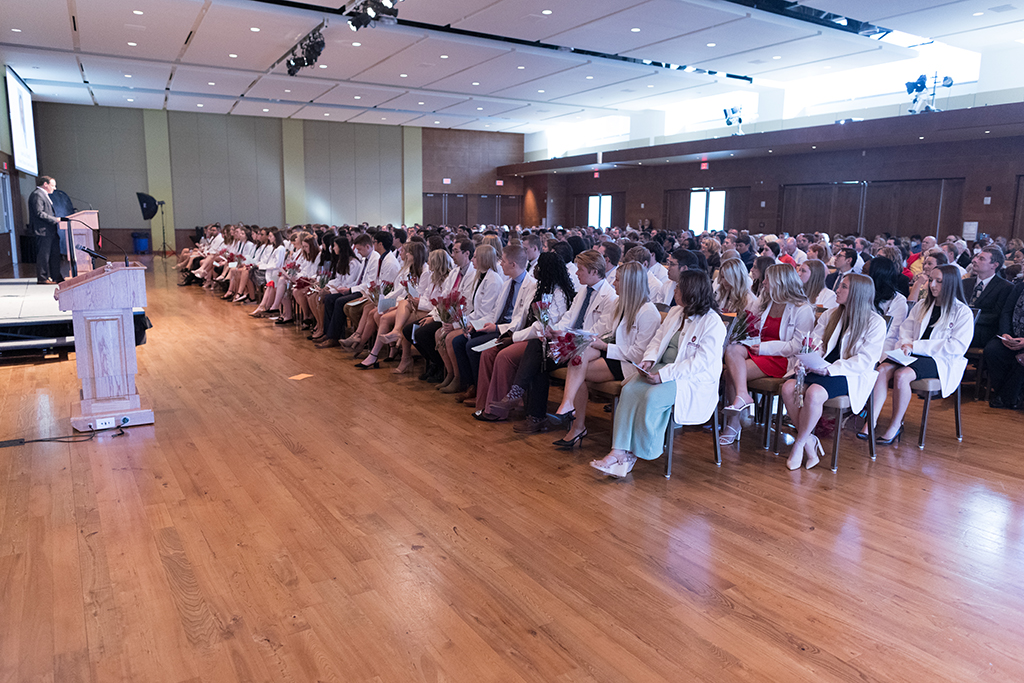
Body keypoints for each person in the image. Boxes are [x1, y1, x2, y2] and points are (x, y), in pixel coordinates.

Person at [589, 271, 725, 477]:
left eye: (679, 287)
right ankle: (618, 450)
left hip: (690, 379)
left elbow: (700, 363)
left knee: (653, 396)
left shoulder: (712, 322)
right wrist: (649, 360)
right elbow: (657, 340)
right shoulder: (675, 313)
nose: (675, 290)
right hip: (661, 367)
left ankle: (637, 452)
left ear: (691, 292)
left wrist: (664, 375)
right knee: (630, 389)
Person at [779, 275, 886, 470]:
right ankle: (809, 441)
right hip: (821, 366)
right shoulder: (831, 314)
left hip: (848, 373)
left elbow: (865, 360)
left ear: (856, 293)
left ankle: (800, 443)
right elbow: (818, 343)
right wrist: (809, 356)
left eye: (843, 287)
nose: (837, 290)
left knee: (813, 393)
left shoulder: (875, 322)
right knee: (788, 388)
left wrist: (830, 369)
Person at [548, 262, 658, 448]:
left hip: (628, 363)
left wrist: (605, 346)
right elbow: (604, 330)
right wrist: (583, 338)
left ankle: (575, 422)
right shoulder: (619, 303)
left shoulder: (648, 312)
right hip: (613, 353)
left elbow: (638, 354)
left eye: (617, 279)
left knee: (577, 369)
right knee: (579, 357)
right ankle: (570, 411)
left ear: (630, 283)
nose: (613, 283)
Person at [863, 265, 974, 443]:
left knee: (902, 375)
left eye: (939, 281)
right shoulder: (922, 305)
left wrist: (915, 346)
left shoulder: (963, 312)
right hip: (912, 352)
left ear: (951, 284)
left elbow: (956, 347)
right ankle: (871, 421)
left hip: (940, 360)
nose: (933, 285)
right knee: (882, 370)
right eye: (931, 280)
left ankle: (895, 425)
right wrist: (906, 344)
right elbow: (906, 328)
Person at [721, 264, 814, 445]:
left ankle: (734, 423)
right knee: (732, 349)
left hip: (781, 357)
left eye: (767, 279)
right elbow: (748, 320)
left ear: (780, 282)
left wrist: (764, 348)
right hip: (758, 348)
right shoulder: (766, 299)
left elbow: (797, 346)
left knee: (729, 373)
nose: (763, 282)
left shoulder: (802, 309)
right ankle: (742, 395)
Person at [984, 279, 1024, 409]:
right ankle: (1011, 394)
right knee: (992, 350)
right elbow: (1006, 312)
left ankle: (1006, 397)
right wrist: (1005, 333)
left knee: (1022, 358)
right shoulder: (1019, 287)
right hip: (1013, 334)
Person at [962, 246, 1013, 349]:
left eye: (981, 259)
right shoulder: (964, 283)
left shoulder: (1005, 287)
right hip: (959, 326)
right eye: (976, 257)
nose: (974, 260)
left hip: (982, 329)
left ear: (994, 265)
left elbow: (996, 315)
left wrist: (967, 319)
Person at [29, 176, 63, 284]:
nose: (55, 188)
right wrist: (55, 219)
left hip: (50, 231)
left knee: (54, 254)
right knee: (44, 255)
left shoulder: (44, 195)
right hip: (43, 231)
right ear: (45, 184)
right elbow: (39, 213)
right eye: (53, 185)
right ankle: (43, 278)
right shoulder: (37, 195)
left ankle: (56, 276)